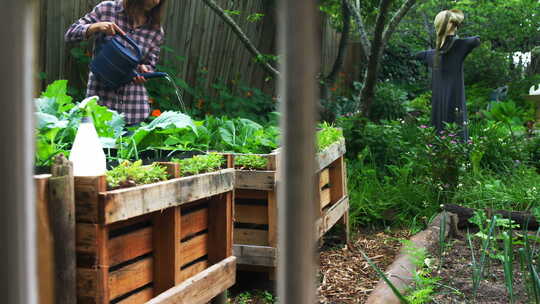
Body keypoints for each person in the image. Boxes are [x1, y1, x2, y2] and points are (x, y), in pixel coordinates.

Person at [65, 0, 165, 125]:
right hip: (100, 106)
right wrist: (96, 27)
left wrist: (145, 70)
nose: (157, 1)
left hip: (133, 112)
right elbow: (70, 34)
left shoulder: (155, 30)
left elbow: (150, 64)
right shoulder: (107, 9)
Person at [415, 10, 480, 140]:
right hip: (453, 100)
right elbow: (476, 40)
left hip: (442, 102)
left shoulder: (432, 54)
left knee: (441, 133)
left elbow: (417, 55)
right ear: (454, 26)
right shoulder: (458, 47)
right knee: (455, 131)